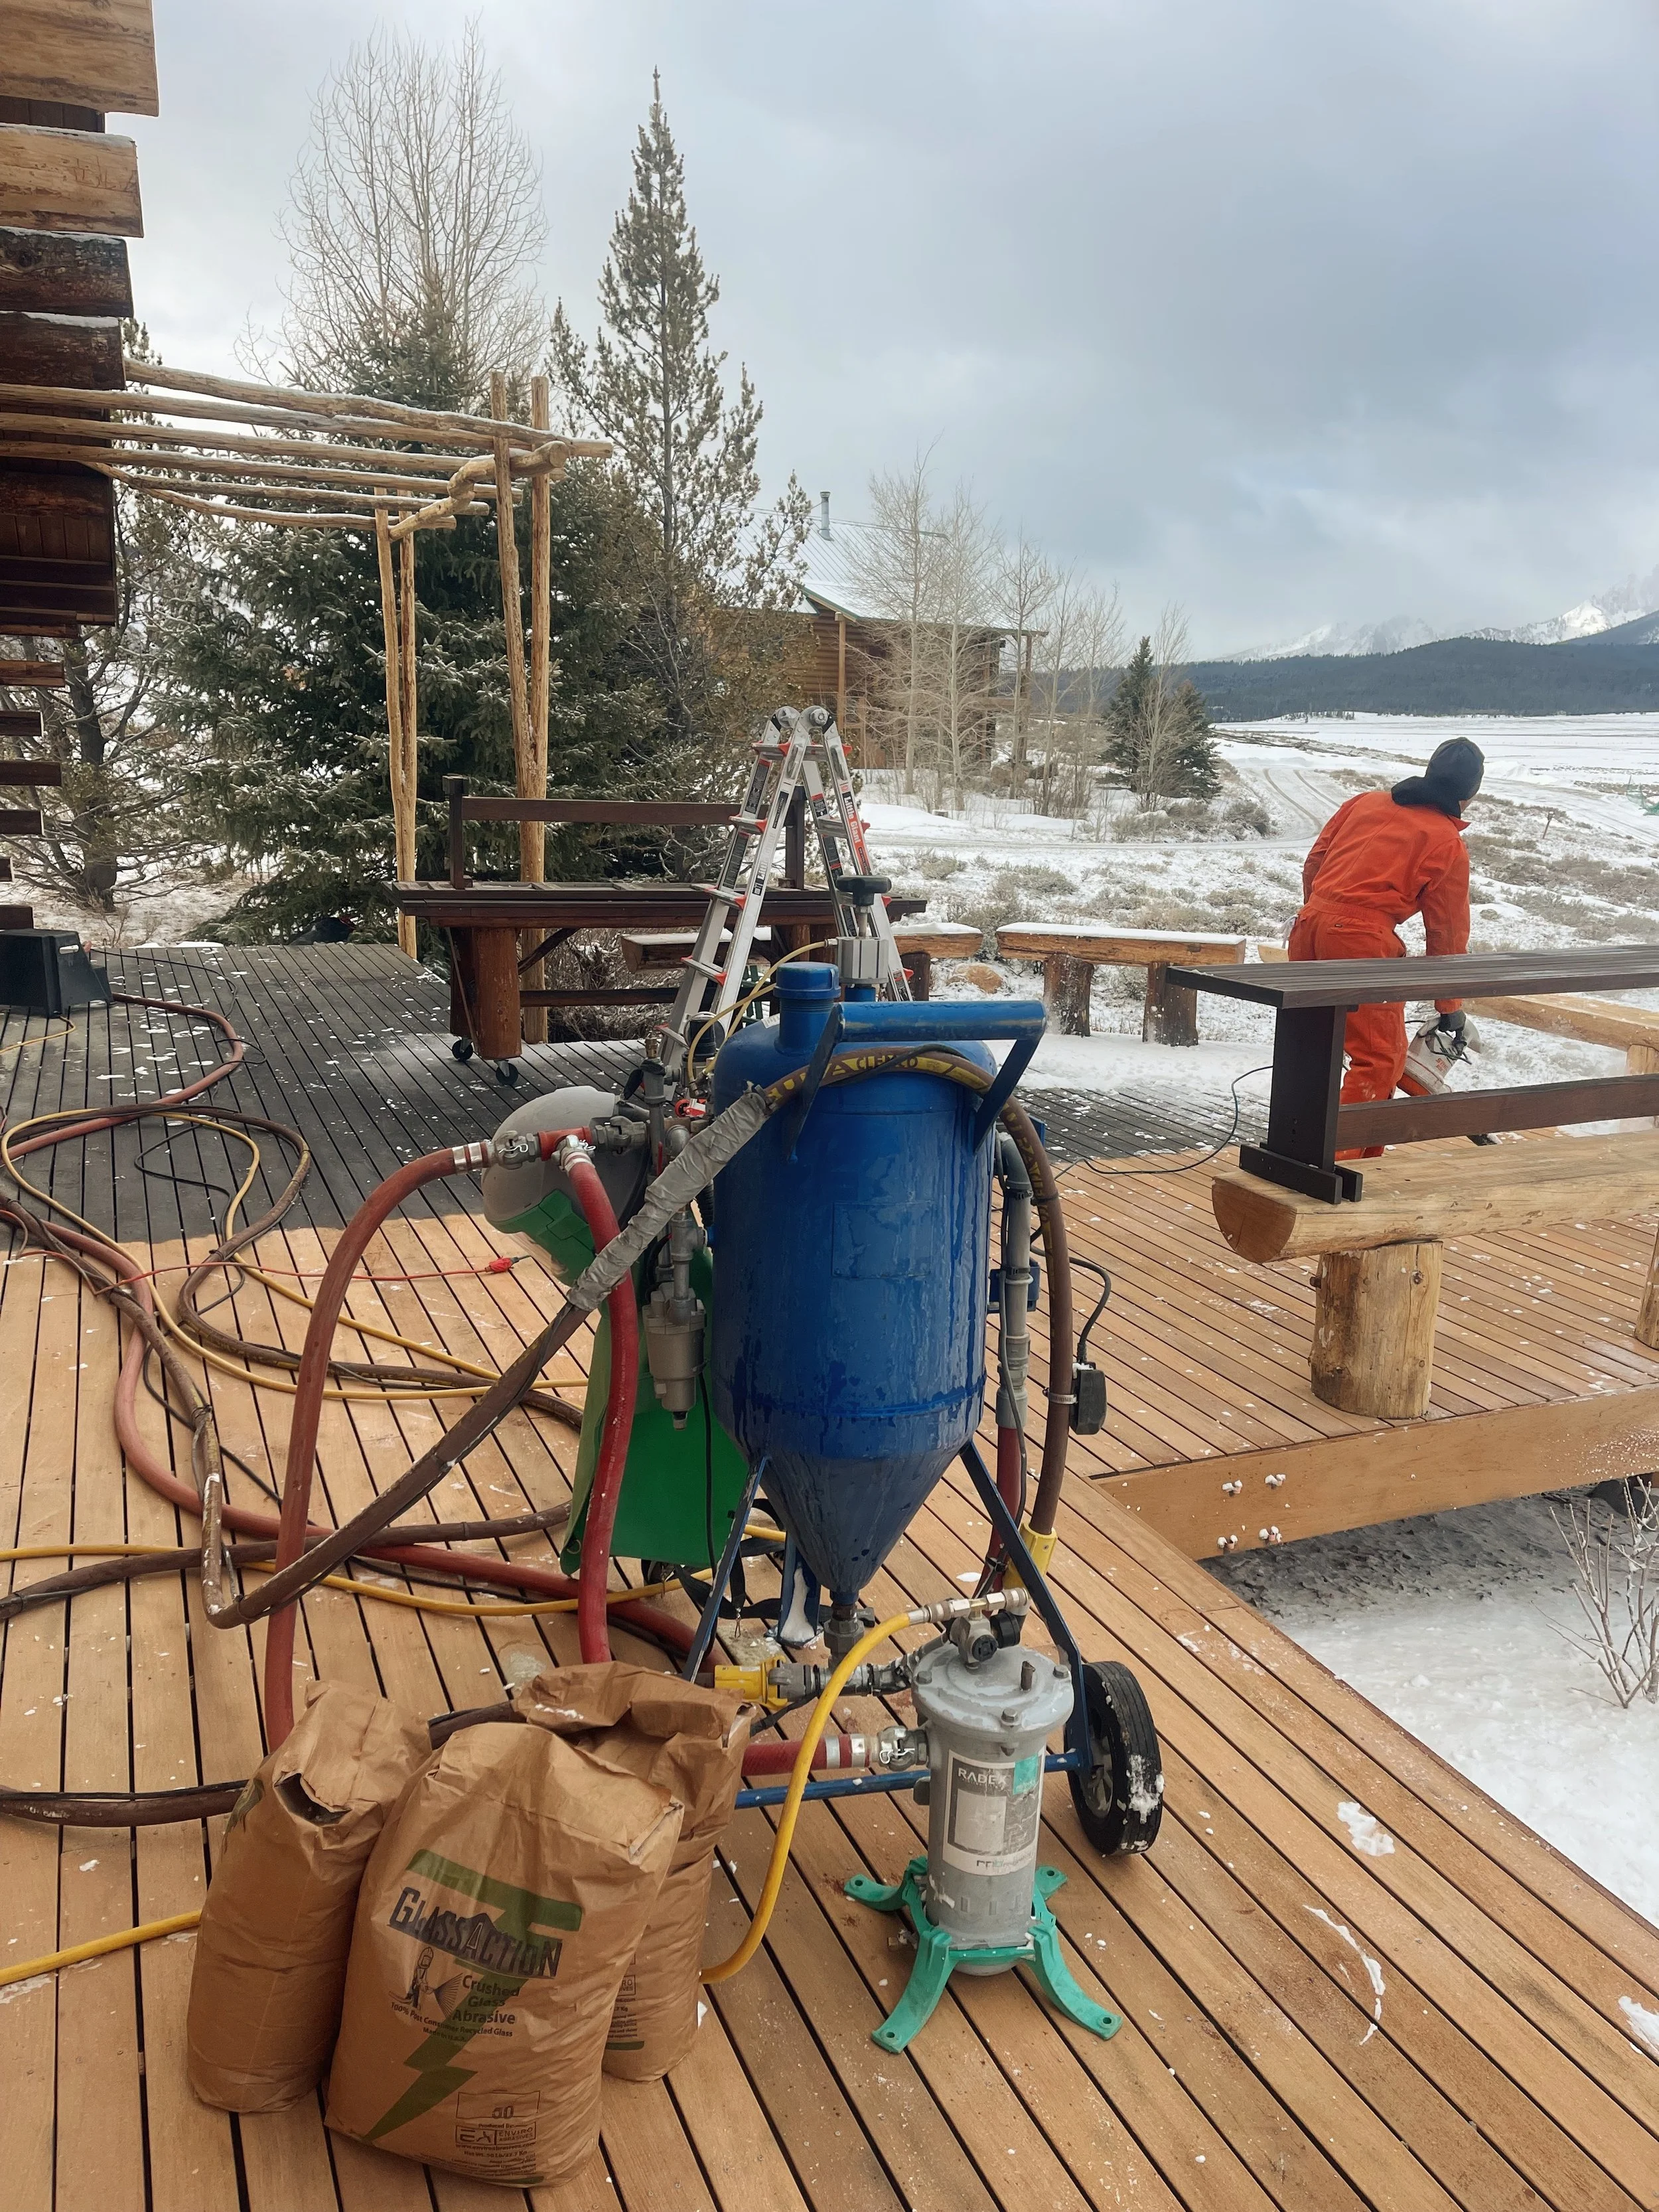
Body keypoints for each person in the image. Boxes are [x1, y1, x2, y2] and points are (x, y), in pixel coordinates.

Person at [1289, 737, 1484, 1157]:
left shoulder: (1364, 802)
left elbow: (1315, 862)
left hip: (1307, 930)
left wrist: (1320, 915)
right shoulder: (1447, 843)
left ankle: (1306, 1149)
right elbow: (1446, 933)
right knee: (1379, 1060)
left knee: (1310, 1047)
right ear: (1470, 795)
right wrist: (1449, 1006)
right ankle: (1329, 1165)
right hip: (1361, 945)